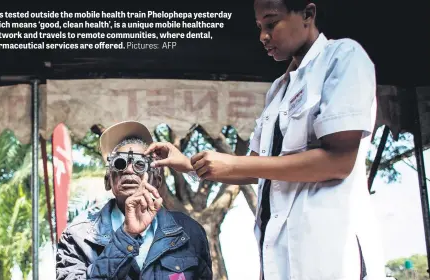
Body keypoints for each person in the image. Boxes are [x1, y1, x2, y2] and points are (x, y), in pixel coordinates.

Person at [145, 0, 386, 279]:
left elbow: (339, 161)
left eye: (272, 23)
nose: (263, 36)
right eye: (260, 27)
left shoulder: (343, 57)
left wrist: (234, 165)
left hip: (331, 252)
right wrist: (188, 163)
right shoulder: (278, 91)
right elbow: (259, 165)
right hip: (280, 256)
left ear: (308, 14)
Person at [56, 121, 212, 280]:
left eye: (140, 164)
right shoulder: (78, 236)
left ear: (157, 181)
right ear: (107, 181)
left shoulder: (189, 231)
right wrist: (127, 235)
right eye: (119, 163)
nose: (129, 169)